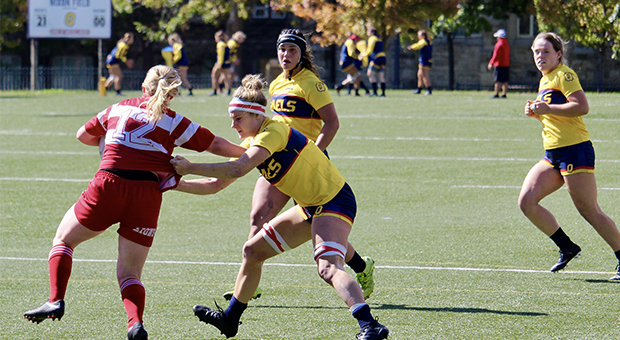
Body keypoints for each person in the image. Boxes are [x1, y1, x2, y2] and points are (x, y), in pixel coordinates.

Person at [22, 65, 246, 339]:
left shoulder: (118, 108)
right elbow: (217, 146)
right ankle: (134, 324)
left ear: (143, 86)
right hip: (147, 194)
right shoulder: (175, 121)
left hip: (109, 185)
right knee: (129, 273)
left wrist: (109, 140)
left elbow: (82, 135)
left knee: (64, 241)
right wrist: (252, 152)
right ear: (171, 95)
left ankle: (56, 299)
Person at [170, 73, 390, 340]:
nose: (233, 125)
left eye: (237, 119)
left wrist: (190, 166)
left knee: (328, 267)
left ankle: (370, 326)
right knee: (252, 251)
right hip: (311, 206)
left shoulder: (273, 131)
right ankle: (230, 319)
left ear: (255, 115)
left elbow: (237, 169)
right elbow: (215, 184)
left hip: (333, 201)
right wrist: (173, 183)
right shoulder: (254, 142)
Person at [518, 32, 620, 280]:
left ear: (558, 54)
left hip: (575, 149)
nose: (540, 56)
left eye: (545, 52)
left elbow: (581, 106)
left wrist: (548, 108)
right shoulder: (545, 79)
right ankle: (567, 247)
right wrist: (538, 113)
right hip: (552, 154)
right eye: (536, 52)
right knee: (527, 202)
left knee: (589, 210)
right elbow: (555, 114)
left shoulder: (565, 74)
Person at [360, 27, 387, 97]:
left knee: (370, 74)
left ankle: (375, 92)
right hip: (383, 57)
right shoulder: (379, 38)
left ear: (372, 32)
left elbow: (370, 50)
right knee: (380, 75)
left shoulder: (372, 38)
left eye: (368, 32)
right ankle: (383, 93)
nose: (367, 33)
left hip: (376, 58)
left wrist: (363, 55)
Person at [408, 30, 432, 95]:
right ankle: (419, 89)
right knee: (420, 75)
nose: (418, 37)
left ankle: (429, 90)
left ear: (423, 36)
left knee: (424, 75)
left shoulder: (424, 41)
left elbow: (418, 45)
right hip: (424, 60)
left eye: (419, 35)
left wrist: (411, 47)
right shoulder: (425, 41)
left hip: (425, 60)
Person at [488, 29, 510, 98]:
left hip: (499, 64)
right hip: (506, 64)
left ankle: (496, 93)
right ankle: (504, 94)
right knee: (505, 81)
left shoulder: (498, 44)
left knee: (497, 80)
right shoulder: (507, 44)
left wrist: (491, 63)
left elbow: (496, 55)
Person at [210, 30, 232, 96]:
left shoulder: (220, 44)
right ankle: (228, 90)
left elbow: (221, 55)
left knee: (214, 76)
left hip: (221, 63)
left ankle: (214, 91)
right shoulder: (225, 43)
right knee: (226, 77)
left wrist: (219, 63)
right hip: (227, 63)